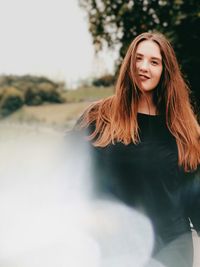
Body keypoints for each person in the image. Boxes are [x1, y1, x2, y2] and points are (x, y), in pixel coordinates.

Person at [73, 32, 200, 267]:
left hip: (173, 248)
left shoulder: (183, 129)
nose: (143, 67)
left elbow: (194, 197)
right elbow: (69, 171)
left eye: (154, 62)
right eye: (138, 59)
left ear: (166, 71)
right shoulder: (99, 117)